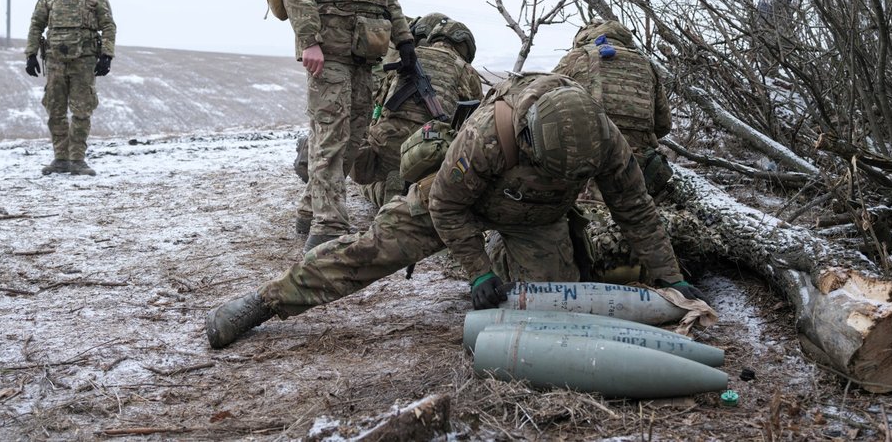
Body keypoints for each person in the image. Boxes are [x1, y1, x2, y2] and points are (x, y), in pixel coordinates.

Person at [205, 72, 700, 349]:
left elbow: (636, 209)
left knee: (554, 303)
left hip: (538, 221)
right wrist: (477, 271)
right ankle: (267, 301)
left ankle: (508, 260)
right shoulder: (488, 134)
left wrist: (670, 279)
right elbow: (446, 204)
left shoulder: (604, 141)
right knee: (369, 252)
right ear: (526, 139)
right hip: (457, 204)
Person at [283, 0, 417, 252]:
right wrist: (309, 41)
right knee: (331, 136)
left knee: (355, 137)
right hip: (330, 51)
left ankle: (310, 210)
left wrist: (405, 41)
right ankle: (327, 228)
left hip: (366, 54)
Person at [292, 12, 453, 231]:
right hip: (423, 152)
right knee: (344, 149)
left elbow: (377, 108)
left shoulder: (400, 50)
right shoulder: (454, 66)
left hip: (381, 143)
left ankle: (313, 156)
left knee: (353, 158)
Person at [351, 16, 484, 208]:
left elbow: (378, 105)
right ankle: (411, 195)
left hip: (388, 147)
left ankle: (388, 192)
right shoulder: (467, 71)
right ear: (466, 47)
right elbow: (474, 122)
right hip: (430, 155)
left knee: (369, 182)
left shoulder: (406, 56)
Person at [553, 18, 673, 197]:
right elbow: (663, 125)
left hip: (580, 167)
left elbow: (543, 110)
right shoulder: (646, 64)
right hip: (633, 170)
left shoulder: (575, 58)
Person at [24, 0, 115, 176]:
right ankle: (60, 159)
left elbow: (108, 26)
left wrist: (107, 55)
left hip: (84, 62)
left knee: (82, 111)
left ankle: (77, 160)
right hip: (55, 61)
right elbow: (36, 24)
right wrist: (30, 54)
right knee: (55, 110)